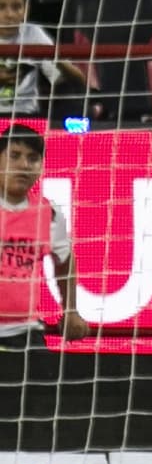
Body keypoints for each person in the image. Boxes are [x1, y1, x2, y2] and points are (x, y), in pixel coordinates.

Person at [0, 124, 87, 349]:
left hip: (25, 333)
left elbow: (65, 261)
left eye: (33, 158)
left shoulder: (48, 213)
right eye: (14, 155)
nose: (23, 165)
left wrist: (70, 310)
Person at [0, 0, 86, 118]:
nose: (10, 14)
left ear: (26, 10)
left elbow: (75, 80)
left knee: (71, 101)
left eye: (16, 7)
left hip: (25, 116)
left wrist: (56, 57)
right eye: (1, 7)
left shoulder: (33, 33)